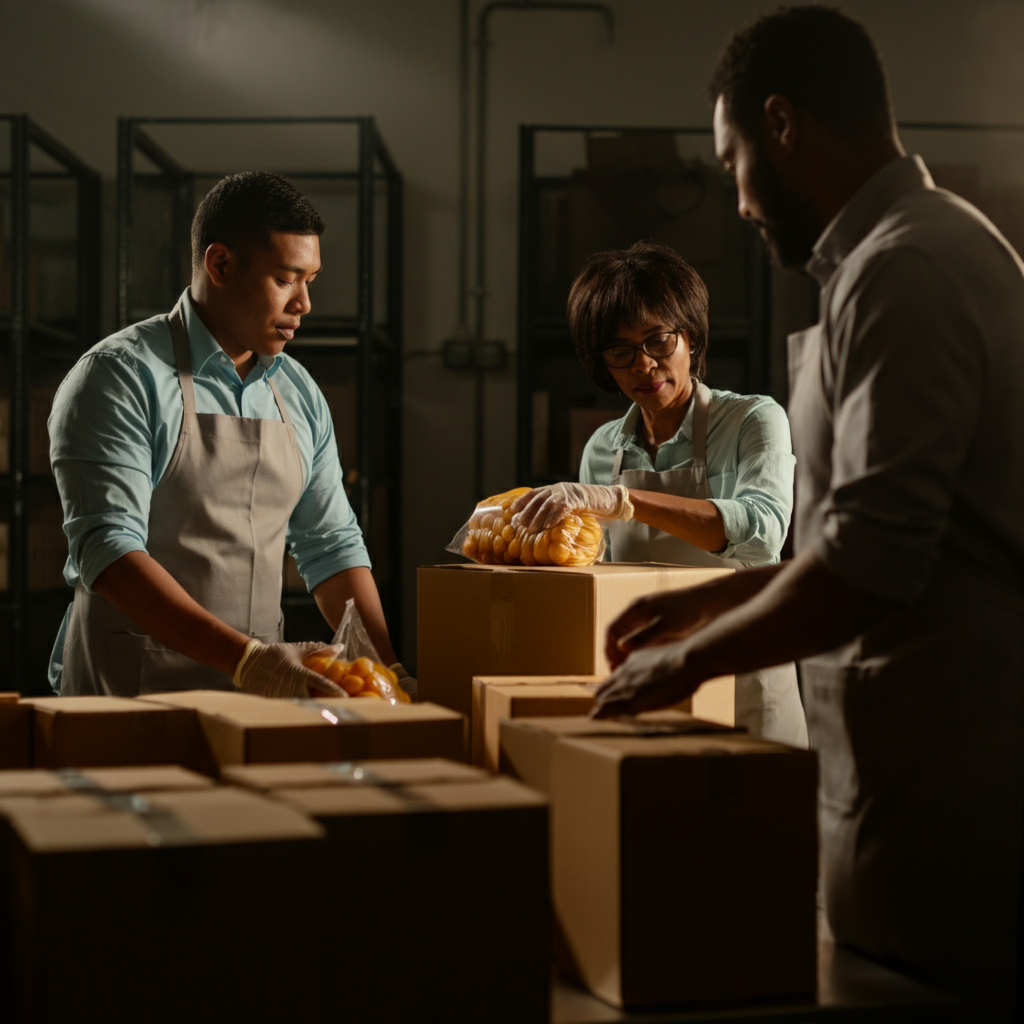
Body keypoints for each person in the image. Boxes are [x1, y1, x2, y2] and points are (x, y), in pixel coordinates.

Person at [591, 6, 1024, 1018]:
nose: (738, 197)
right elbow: (858, 540)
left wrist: (686, 663)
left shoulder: (906, 270)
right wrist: (710, 605)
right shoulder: (886, 262)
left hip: (960, 768)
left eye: (732, 155)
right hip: (905, 763)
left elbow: (874, 564)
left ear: (781, 125)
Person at [49, 171, 408, 699]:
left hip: (260, 694)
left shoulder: (298, 392)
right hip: (131, 693)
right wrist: (248, 662)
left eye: (311, 280)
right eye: (287, 279)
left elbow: (332, 547)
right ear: (219, 264)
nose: (305, 303)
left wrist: (388, 672)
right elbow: (109, 553)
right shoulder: (119, 376)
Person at [512, 241, 806, 745]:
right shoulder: (603, 449)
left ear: (690, 338)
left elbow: (761, 532)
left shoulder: (753, 420)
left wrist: (623, 501)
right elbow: (593, 575)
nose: (644, 365)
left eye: (658, 341)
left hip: (744, 685)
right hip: (652, 687)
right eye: (620, 351)